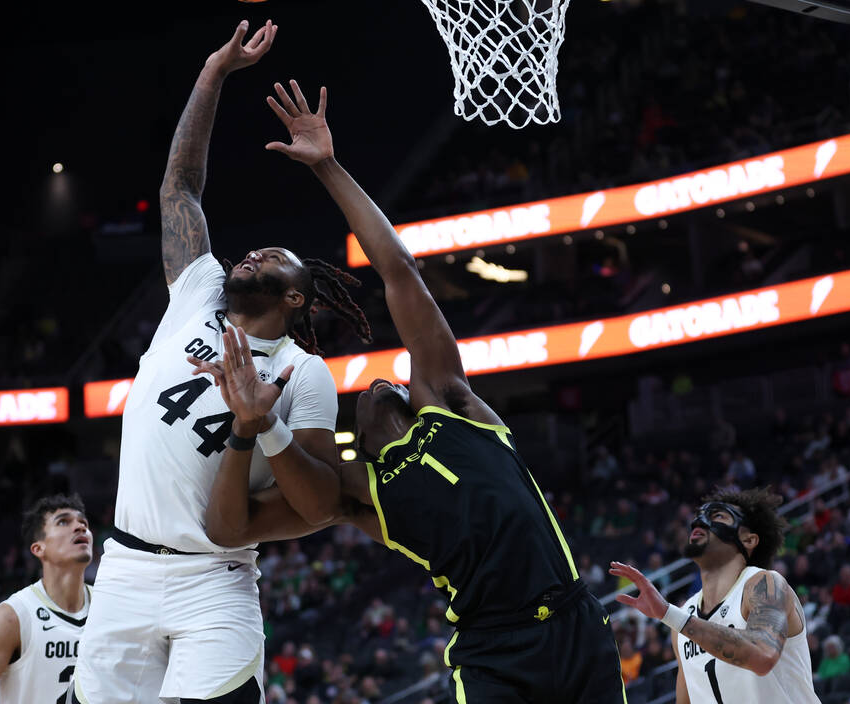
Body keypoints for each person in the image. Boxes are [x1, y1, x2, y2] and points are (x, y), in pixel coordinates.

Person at [192, 80, 625, 703]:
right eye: (373, 387)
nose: (380, 381)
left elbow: (398, 271)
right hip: (491, 649)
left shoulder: (453, 406)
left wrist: (329, 168)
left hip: (574, 620)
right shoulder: (362, 492)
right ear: (358, 435)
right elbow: (236, 527)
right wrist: (255, 428)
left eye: (393, 379)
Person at [72, 22, 371, 704]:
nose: (254, 251)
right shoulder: (200, 290)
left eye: (274, 256)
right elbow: (181, 187)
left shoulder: (302, 371)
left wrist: (261, 424)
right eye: (253, 248)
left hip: (216, 576)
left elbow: (320, 501)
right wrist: (213, 74)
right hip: (121, 569)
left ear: (296, 296)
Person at [610, 488, 820, 704]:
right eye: (698, 516)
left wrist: (668, 613)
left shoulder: (764, 584)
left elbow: (762, 656)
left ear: (748, 540)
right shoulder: (683, 619)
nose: (698, 522)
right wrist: (673, 617)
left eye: (718, 516)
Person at [0, 494, 93, 704]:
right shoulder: (13, 617)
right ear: (39, 548)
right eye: (63, 521)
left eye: (84, 523)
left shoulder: (109, 608)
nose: (80, 527)